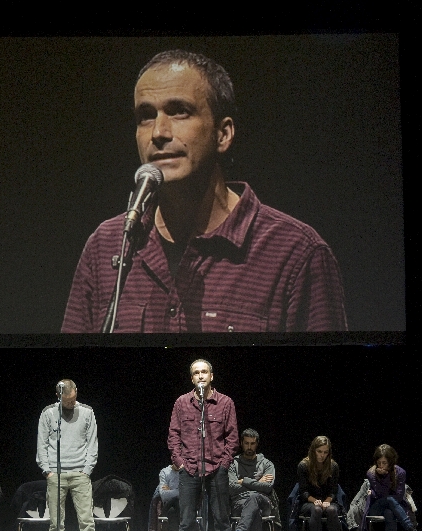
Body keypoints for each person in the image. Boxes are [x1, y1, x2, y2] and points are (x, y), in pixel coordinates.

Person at [62, 49, 348, 334]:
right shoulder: (107, 245)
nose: (158, 132)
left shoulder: (295, 253)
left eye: (179, 112)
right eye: (146, 116)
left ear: (223, 134)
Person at [168, 359, 238, 531]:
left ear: (211, 376)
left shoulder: (225, 403)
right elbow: (173, 435)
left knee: (222, 521)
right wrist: (179, 462)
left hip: (216, 469)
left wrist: (224, 465)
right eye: (196, 373)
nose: (200, 376)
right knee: (186, 523)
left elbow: (232, 437)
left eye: (204, 372)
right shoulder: (182, 403)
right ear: (192, 378)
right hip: (189, 468)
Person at [37, 379, 97, 531]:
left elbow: (92, 443)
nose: (71, 403)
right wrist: (47, 471)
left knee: (87, 523)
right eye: (66, 401)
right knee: (55, 525)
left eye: (73, 399)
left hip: (80, 473)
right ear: (58, 396)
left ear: (76, 392)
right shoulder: (48, 413)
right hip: (55, 474)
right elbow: (41, 444)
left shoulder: (87, 412)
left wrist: (87, 470)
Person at [364, 444, 422, 531]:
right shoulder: (371, 473)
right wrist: (385, 477)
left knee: (389, 512)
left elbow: (399, 497)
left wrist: (386, 477)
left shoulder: (400, 472)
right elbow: (380, 494)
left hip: (394, 507)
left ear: (391, 462)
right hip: (376, 507)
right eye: (379, 462)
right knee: (389, 500)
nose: (381, 465)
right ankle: (412, 530)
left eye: (384, 463)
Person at [296, 436, 343, 531]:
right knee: (316, 510)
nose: (322, 455)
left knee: (332, 510)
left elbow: (333, 491)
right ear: (313, 450)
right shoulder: (304, 465)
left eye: (325, 452)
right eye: (319, 451)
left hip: (328, 501)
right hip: (309, 502)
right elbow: (303, 492)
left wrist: (327, 501)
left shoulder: (333, 466)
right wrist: (315, 501)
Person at [229, 429, 274, 531]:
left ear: (257, 444)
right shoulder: (233, 463)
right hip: (240, 502)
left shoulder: (267, 464)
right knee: (255, 510)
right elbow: (232, 487)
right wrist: (258, 482)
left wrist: (244, 481)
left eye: (252, 443)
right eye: (246, 443)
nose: (249, 447)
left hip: (263, 501)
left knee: (254, 497)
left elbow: (267, 487)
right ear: (241, 443)